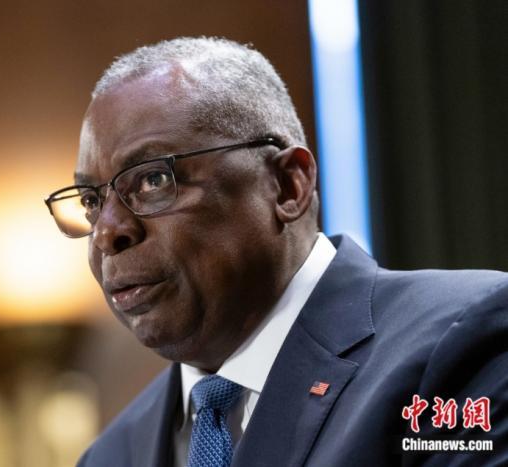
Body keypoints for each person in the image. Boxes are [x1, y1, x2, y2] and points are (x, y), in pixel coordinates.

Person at [44, 37, 507, 467]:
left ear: (287, 185)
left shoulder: (461, 343)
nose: (107, 232)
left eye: (153, 179)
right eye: (91, 202)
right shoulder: (108, 457)